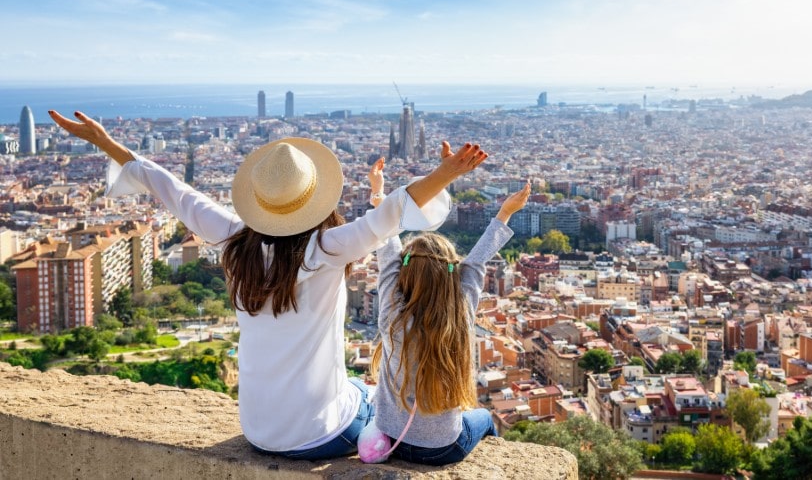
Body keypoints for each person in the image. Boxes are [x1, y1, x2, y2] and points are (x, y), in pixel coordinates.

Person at [48, 109, 488, 459]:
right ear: (314, 198)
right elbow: (389, 214)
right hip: (321, 437)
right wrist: (446, 174)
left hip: (257, 432)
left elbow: (174, 191)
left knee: (357, 387)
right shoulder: (326, 249)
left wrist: (104, 141)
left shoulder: (234, 239)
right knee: (371, 397)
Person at [368, 162, 531, 466]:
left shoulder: (392, 316)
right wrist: (505, 213)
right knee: (483, 417)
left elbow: (387, 253)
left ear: (404, 276)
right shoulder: (460, 315)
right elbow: (477, 263)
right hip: (443, 448)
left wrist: (379, 194)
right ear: (452, 274)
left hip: (391, 441)